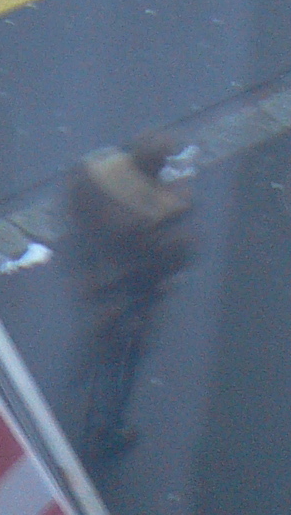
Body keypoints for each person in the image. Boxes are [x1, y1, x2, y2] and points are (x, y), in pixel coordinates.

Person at [63, 134, 194, 472]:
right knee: (119, 368)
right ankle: (105, 432)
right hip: (129, 299)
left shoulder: (94, 175)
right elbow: (173, 258)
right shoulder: (159, 213)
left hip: (94, 280)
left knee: (97, 342)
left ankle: (74, 381)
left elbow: (74, 211)